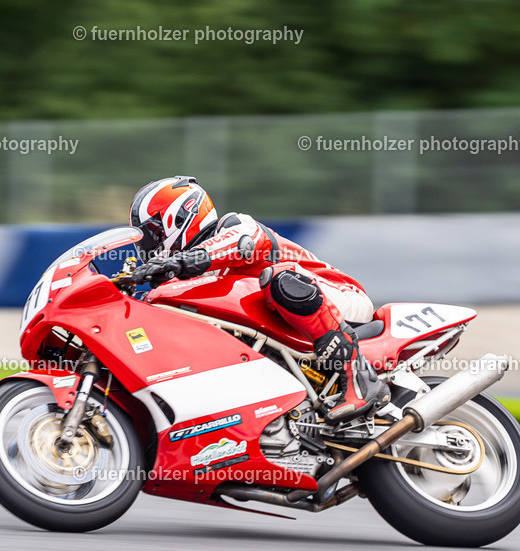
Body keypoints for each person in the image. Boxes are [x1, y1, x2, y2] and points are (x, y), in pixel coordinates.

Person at [128, 175, 389, 423]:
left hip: (341, 297)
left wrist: (179, 262)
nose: (150, 247)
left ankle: (359, 377)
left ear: (181, 215)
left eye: (152, 235)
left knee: (278, 278)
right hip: (288, 326)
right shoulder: (182, 282)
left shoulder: (233, 226)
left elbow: (241, 243)